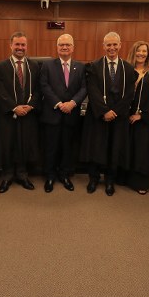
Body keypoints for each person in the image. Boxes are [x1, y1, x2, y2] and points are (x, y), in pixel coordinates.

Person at [79, 32, 137, 196]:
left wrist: (115, 112)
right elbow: (92, 90)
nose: (112, 48)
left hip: (119, 117)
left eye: (114, 44)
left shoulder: (128, 68)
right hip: (98, 115)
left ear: (120, 45)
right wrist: (104, 111)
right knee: (96, 147)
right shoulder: (93, 66)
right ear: (103, 46)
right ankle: (94, 178)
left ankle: (110, 180)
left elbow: (129, 94)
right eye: (108, 45)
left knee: (114, 148)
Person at [0, 32, 42, 193]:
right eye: (17, 44)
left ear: (26, 46)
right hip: (8, 114)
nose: (20, 48)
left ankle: (22, 174)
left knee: (24, 144)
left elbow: (38, 89)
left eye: (23, 45)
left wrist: (30, 105)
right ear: (11, 45)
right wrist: (14, 107)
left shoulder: (34, 66)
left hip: (28, 114)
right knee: (8, 144)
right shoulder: (0, 66)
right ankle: (7, 176)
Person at [39, 33, 86, 193]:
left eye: (68, 45)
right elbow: (44, 86)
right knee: (51, 147)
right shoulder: (47, 65)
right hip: (52, 114)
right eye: (61, 45)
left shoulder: (80, 67)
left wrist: (72, 103)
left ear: (73, 47)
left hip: (71, 114)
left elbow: (84, 88)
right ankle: (50, 176)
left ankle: (65, 174)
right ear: (57, 47)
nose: (64, 47)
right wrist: (59, 104)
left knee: (68, 147)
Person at [125, 41, 149, 194]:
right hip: (125, 117)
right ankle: (125, 179)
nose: (141, 54)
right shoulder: (126, 70)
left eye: (144, 51)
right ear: (134, 52)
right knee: (127, 148)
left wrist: (141, 115)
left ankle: (141, 183)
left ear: (148, 54)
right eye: (138, 51)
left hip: (144, 119)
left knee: (141, 151)